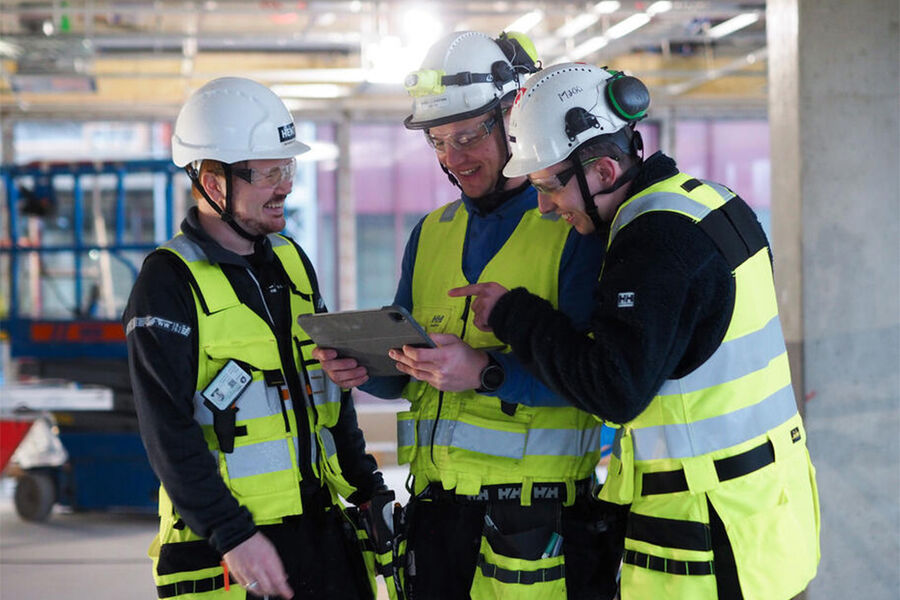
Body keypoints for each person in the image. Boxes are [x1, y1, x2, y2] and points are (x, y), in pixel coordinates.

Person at [456, 62, 821, 600]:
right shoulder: (710, 201)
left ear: (603, 171)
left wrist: (516, 314)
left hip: (704, 536)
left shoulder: (654, 239)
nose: (544, 207)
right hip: (767, 513)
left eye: (547, 185)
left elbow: (614, 389)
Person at [313, 33, 622, 600]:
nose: (451, 159)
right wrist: (368, 368)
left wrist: (486, 369)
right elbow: (406, 374)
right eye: (437, 140)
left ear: (513, 119)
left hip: (538, 524)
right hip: (435, 518)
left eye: (467, 135)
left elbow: (601, 379)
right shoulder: (430, 232)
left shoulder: (572, 225)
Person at [123, 77, 389, 600]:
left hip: (320, 533)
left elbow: (331, 403)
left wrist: (367, 490)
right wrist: (233, 533)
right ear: (214, 181)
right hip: (232, 550)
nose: (284, 185)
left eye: (285, 168)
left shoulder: (291, 261)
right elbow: (166, 431)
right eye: (267, 172)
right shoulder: (168, 282)